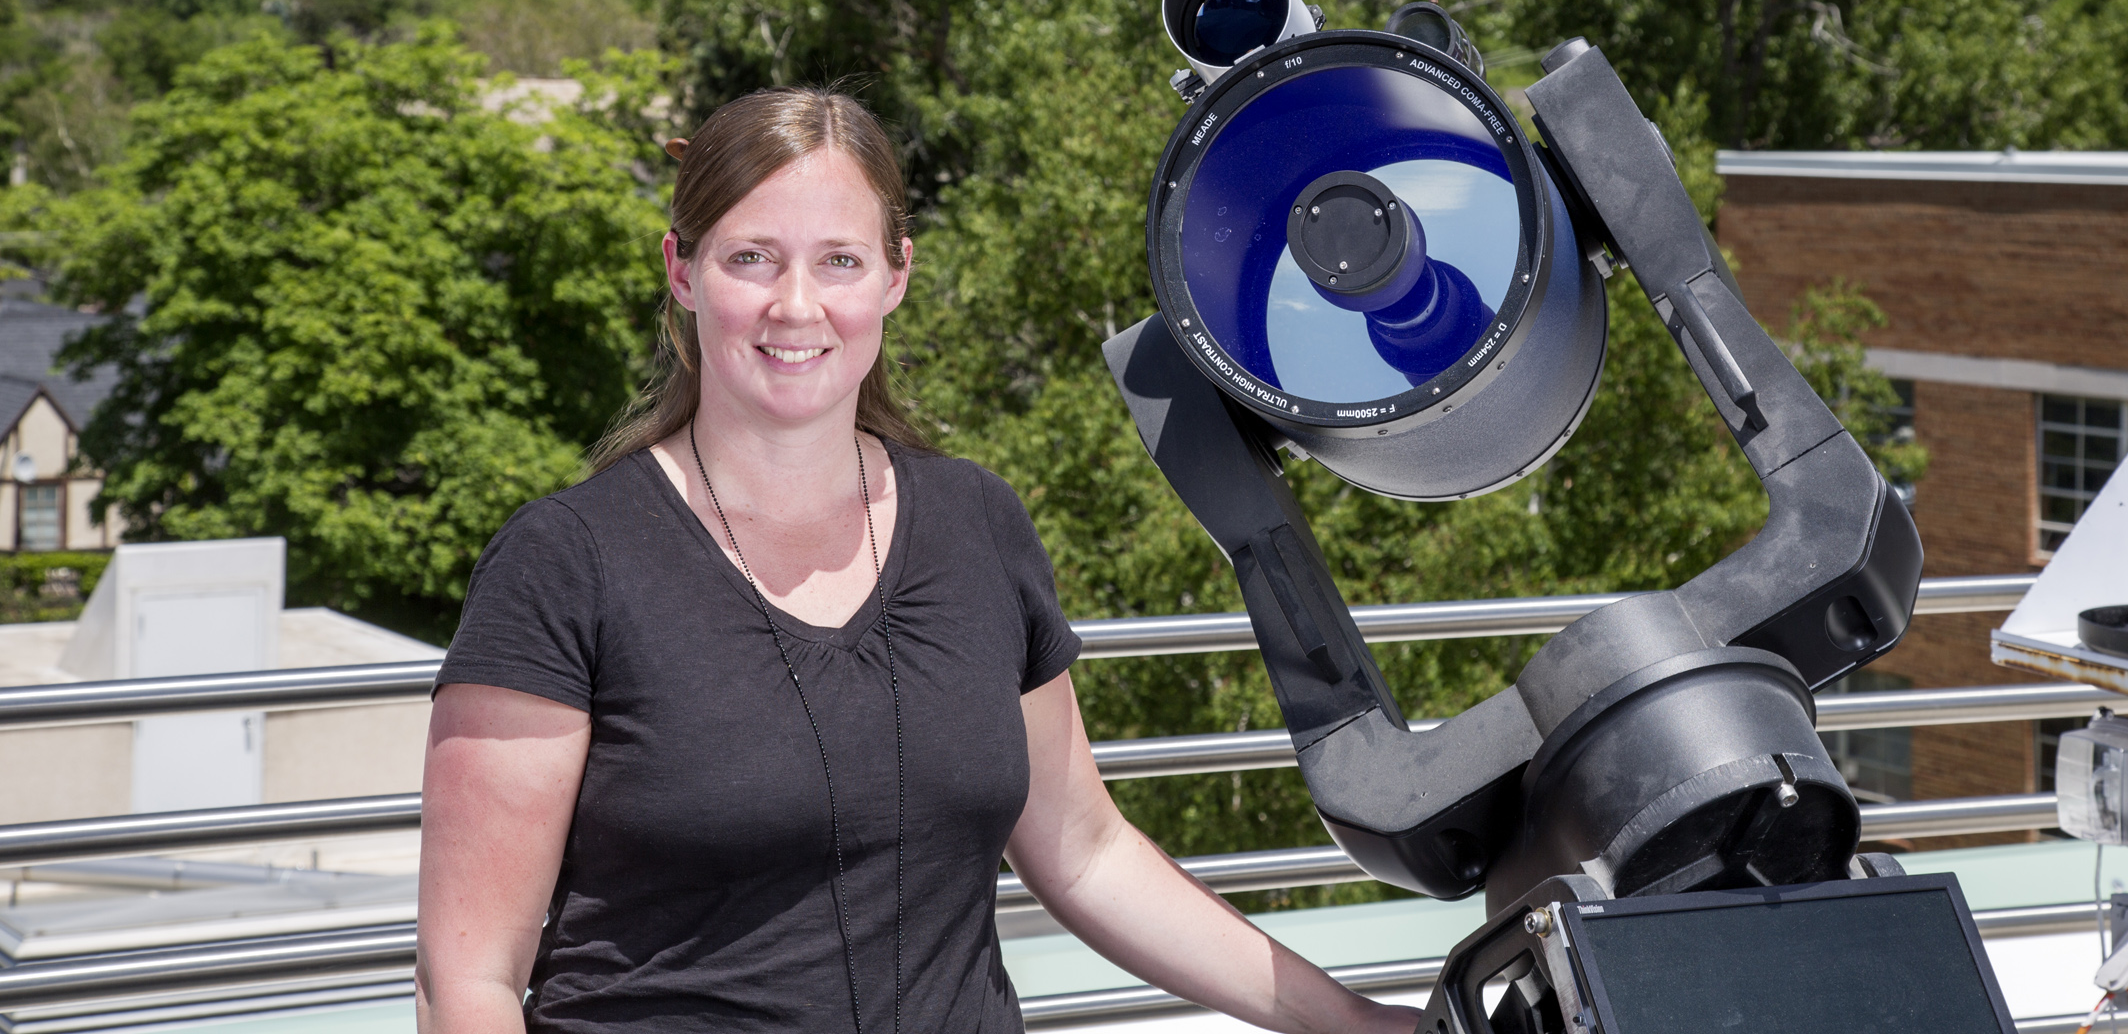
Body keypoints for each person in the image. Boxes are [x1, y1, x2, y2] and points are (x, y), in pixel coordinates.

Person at [416, 88, 1418, 1034]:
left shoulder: (975, 519)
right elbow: (468, 974)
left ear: (897, 272)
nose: (795, 305)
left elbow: (1087, 852)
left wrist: (1357, 1022)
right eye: (751, 258)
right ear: (682, 271)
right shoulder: (567, 562)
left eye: (839, 261)